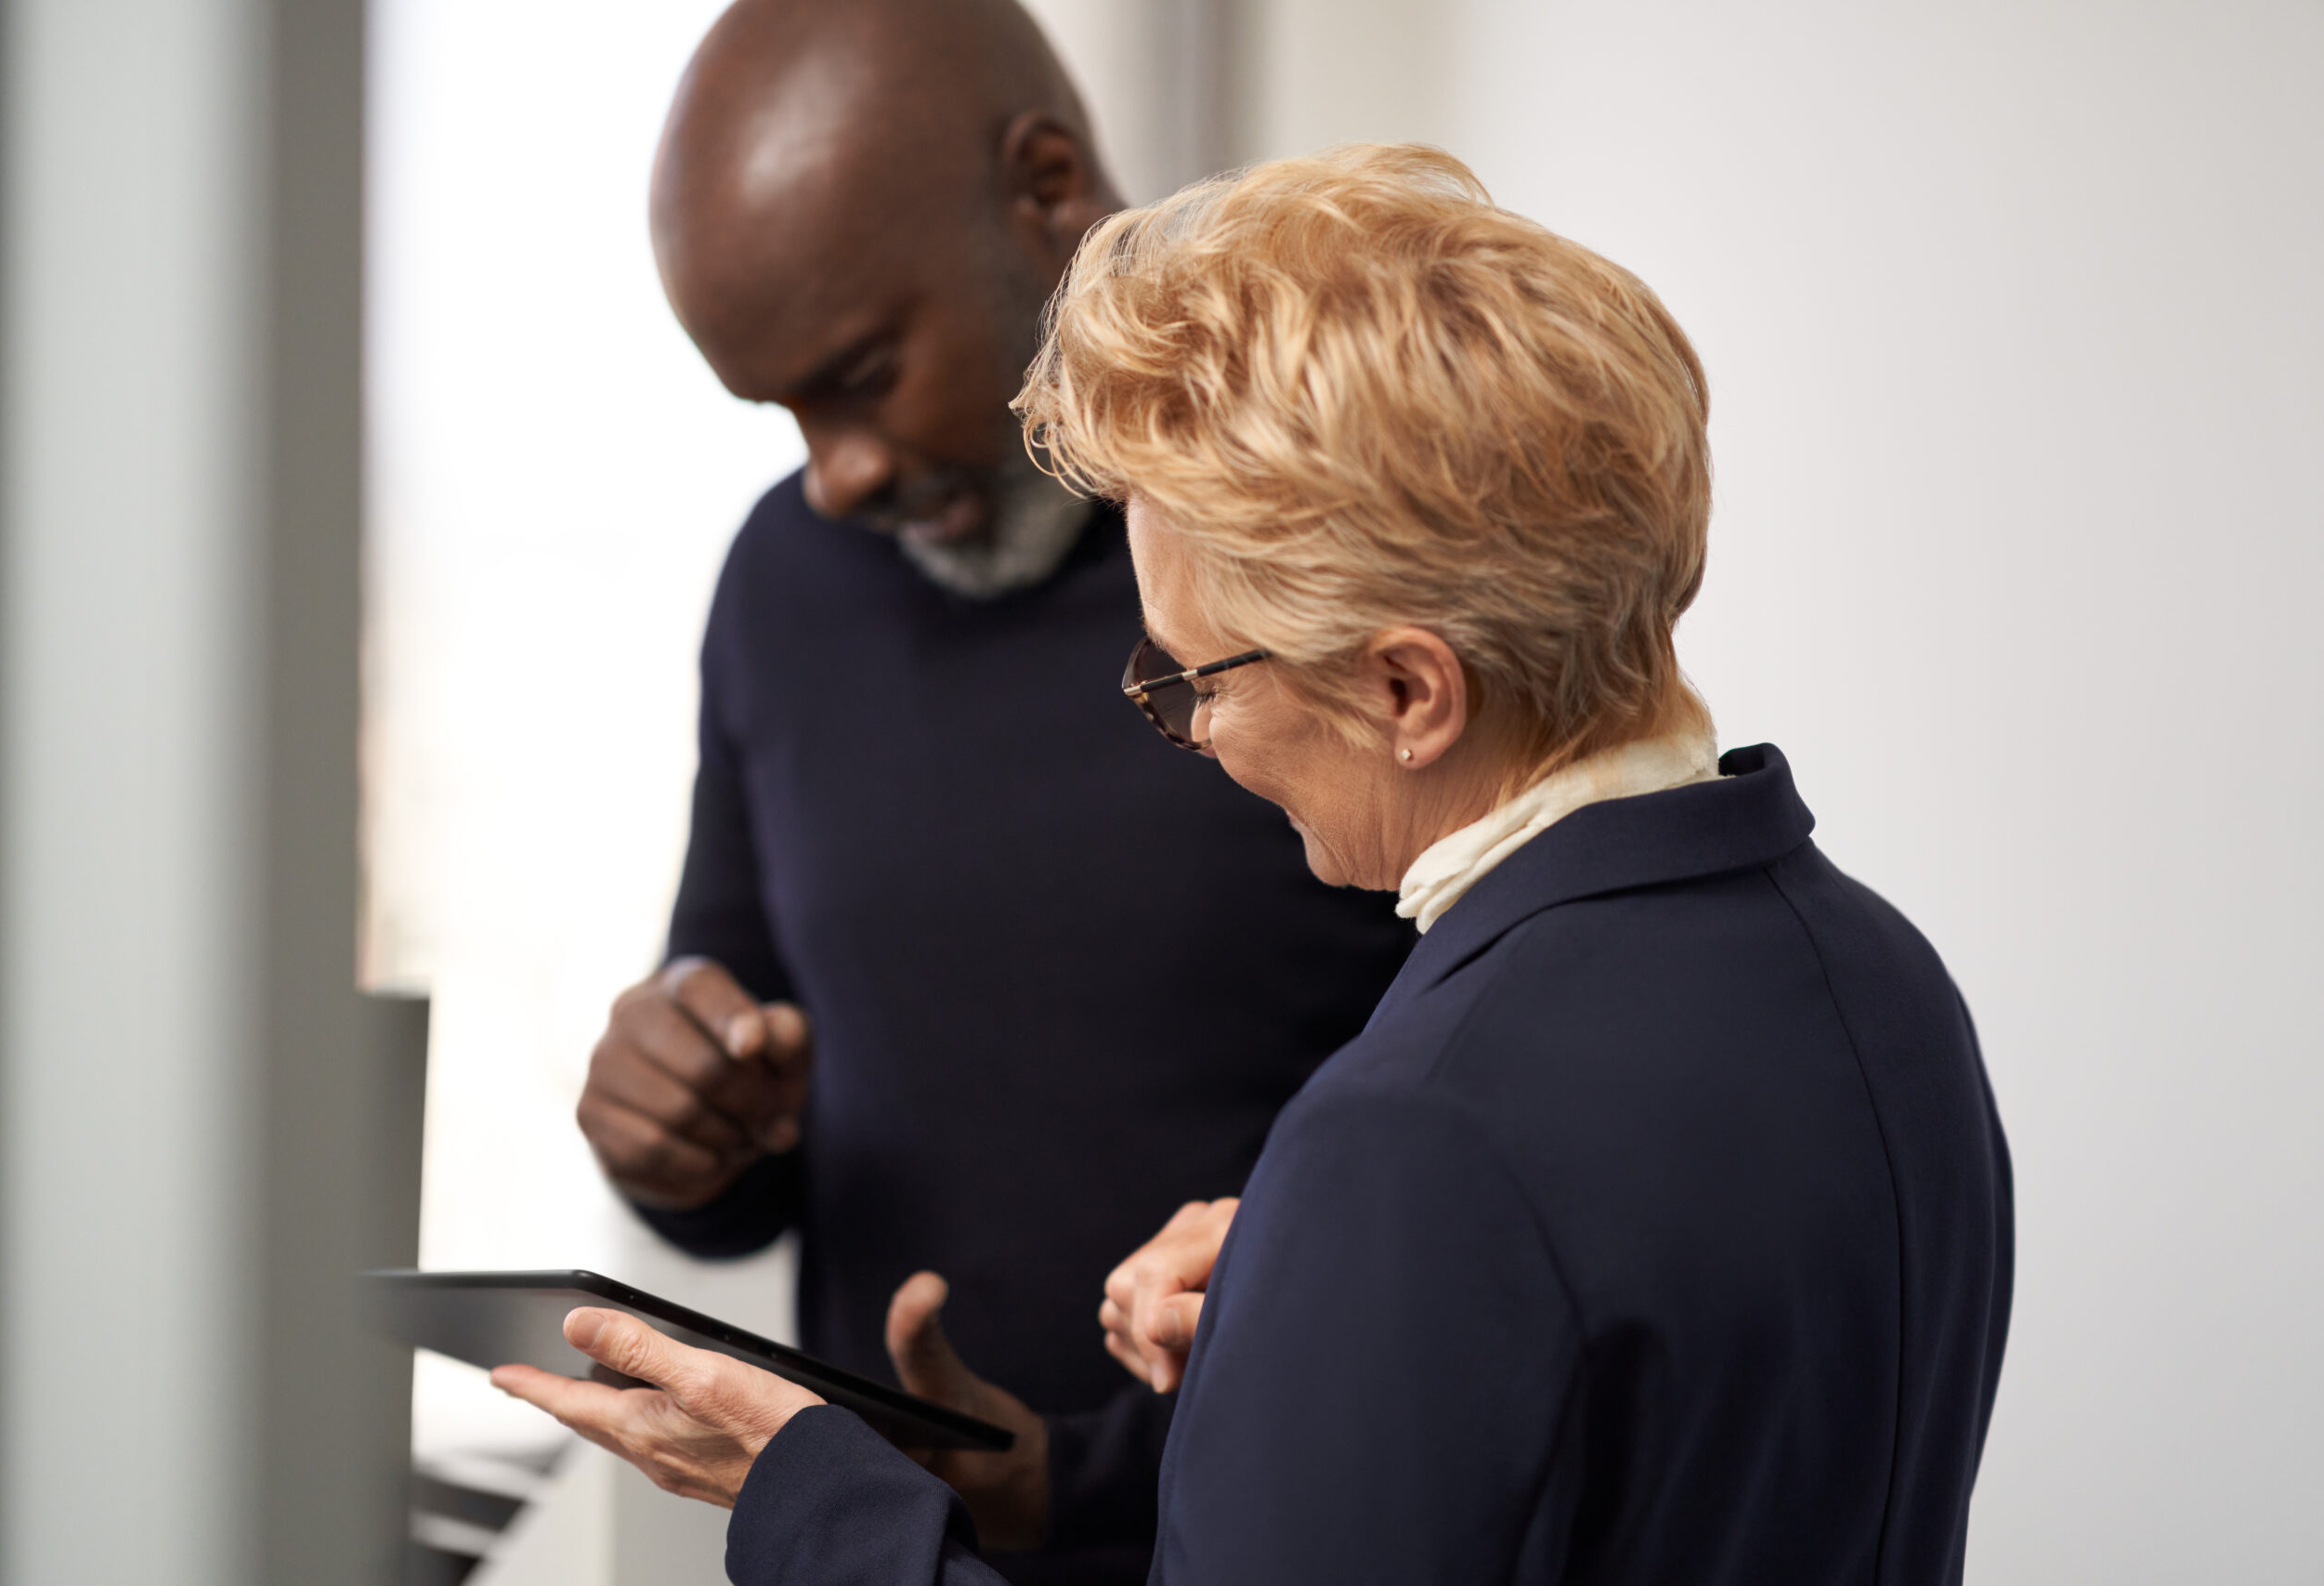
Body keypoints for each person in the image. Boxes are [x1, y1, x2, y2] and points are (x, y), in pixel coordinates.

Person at [503, 144, 2017, 1585]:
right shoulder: (1888, 986)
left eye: (1195, 681)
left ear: (1407, 692)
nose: (1198, 735)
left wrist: (812, 1500)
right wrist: (1304, 1330)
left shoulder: (1413, 1137)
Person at [571, 3, 1417, 1579]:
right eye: (784, 415)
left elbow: (1480, 1194)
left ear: (1047, 189)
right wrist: (671, 1131)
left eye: (865, 373)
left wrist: (1072, 1488)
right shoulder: (786, 582)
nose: (837, 474)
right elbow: (750, 1131)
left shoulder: (1326, 549)